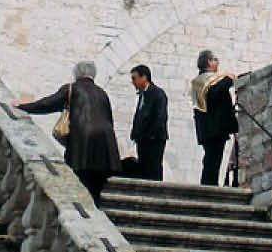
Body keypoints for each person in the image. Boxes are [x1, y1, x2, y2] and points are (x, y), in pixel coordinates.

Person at [17, 60, 123, 201]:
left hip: (82, 141)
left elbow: (47, 104)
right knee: (97, 185)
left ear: (78, 73)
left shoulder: (72, 89)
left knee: (81, 180)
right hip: (105, 143)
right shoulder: (102, 93)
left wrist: (23, 107)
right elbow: (109, 119)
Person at [190, 49, 238, 187]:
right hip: (214, 127)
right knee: (213, 159)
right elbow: (214, 94)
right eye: (215, 60)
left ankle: (210, 184)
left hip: (208, 127)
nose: (218, 63)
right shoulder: (203, 80)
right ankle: (209, 185)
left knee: (212, 158)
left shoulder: (199, 81)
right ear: (208, 61)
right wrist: (228, 79)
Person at [129, 65, 169, 181]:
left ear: (144, 78)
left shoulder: (157, 94)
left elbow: (160, 117)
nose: (133, 82)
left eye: (134, 78)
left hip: (154, 140)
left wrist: (150, 135)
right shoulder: (143, 94)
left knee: (153, 169)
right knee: (143, 169)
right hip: (142, 140)